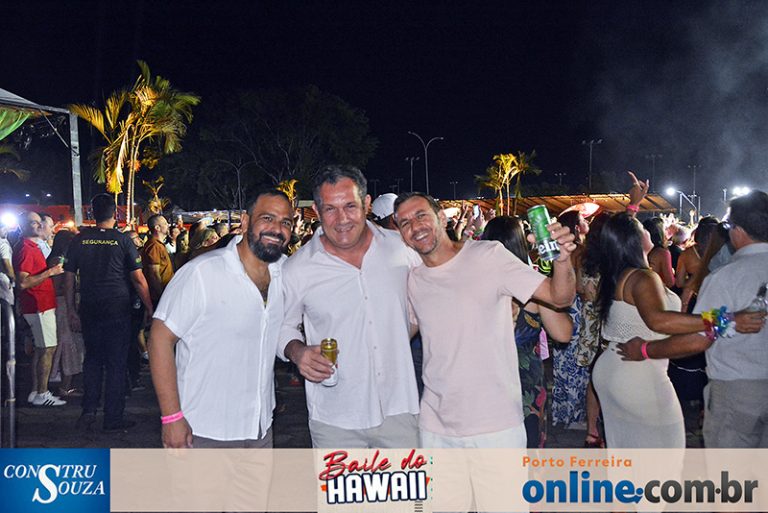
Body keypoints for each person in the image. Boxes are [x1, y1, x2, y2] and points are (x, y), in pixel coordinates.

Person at [394, 192, 576, 448]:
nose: (415, 226)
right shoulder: (414, 280)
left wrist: (562, 260)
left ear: (441, 218)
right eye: (405, 222)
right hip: (435, 428)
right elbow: (397, 336)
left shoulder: (489, 255)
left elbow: (560, 298)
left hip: (496, 426)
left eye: (421, 215)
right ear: (402, 235)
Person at [279, 165, 420, 449]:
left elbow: (434, 290)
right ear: (316, 211)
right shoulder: (297, 268)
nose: (342, 219)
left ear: (367, 204)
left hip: (400, 410)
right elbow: (281, 326)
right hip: (334, 419)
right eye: (330, 209)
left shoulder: (401, 249)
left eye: (350, 206)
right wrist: (297, 352)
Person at [591, 212, 760, 448]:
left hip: (615, 367)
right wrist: (725, 320)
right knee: (667, 450)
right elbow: (659, 321)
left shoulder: (621, 274)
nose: (648, 231)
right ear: (635, 239)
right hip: (637, 371)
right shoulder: (643, 277)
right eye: (642, 228)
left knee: (629, 453)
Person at [149, 189, 294, 448]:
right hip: (204, 430)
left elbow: (277, 331)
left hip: (260, 429)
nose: (277, 229)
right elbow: (160, 339)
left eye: (286, 222)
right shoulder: (202, 273)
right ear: (246, 222)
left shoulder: (285, 272)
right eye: (267, 218)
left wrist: (300, 351)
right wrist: (171, 417)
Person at [64, 194, 153, 431]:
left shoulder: (79, 240)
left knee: (92, 359)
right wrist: (149, 306)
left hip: (90, 307)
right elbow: (138, 279)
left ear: (92, 213)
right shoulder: (122, 240)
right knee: (116, 362)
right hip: (117, 308)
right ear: (115, 213)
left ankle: (89, 411)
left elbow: (69, 278)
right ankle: (113, 417)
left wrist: (71, 310)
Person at [483, 215, 573, 448]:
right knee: (526, 451)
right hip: (525, 387)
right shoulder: (534, 286)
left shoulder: (470, 285)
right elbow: (563, 333)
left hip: (483, 382)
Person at [13, 211, 66, 406]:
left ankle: (37, 391)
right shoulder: (26, 248)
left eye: (38, 222)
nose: (39, 225)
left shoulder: (32, 247)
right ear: (24, 225)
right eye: (33, 222)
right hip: (38, 305)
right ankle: (42, 393)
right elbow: (23, 282)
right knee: (47, 348)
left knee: (42, 348)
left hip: (40, 304)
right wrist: (50, 272)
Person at [47, 230, 84, 398]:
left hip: (65, 303)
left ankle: (64, 383)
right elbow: (56, 288)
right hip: (62, 305)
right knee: (68, 344)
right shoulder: (58, 261)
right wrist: (73, 289)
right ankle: (64, 386)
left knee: (69, 344)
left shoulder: (63, 259)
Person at [142, 214, 175, 308]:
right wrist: (162, 296)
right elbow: (154, 273)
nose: (168, 225)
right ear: (157, 228)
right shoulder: (154, 246)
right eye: (165, 223)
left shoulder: (158, 244)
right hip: (160, 295)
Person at [642, 217, 675, 288]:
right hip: (656, 290)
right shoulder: (662, 253)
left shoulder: (637, 250)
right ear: (660, 232)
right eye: (665, 229)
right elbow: (670, 282)